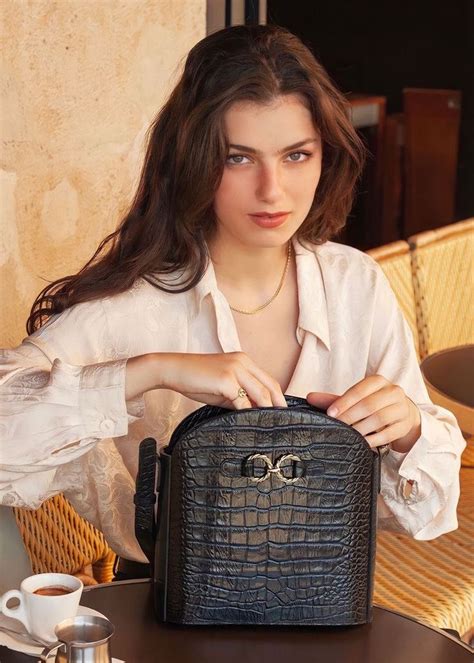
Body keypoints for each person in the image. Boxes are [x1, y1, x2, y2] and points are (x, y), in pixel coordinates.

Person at [0, 25, 464, 579]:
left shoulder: (354, 284)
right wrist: (154, 371)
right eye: (238, 159)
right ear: (193, 161)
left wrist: (410, 429)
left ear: (325, 157)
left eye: (296, 155)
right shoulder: (132, 305)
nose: (273, 190)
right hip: (164, 604)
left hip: (323, 597)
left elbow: (428, 511)